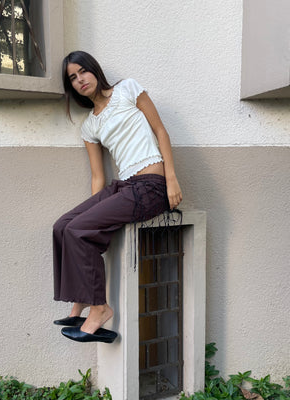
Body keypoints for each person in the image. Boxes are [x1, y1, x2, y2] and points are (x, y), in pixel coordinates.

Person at [53, 51, 182, 343]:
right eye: (72, 78)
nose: (80, 80)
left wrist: (171, 179)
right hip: (122, 186)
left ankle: (99, 308)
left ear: (94, 70)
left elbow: (161, 131)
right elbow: (98, 176)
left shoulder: (128, 90)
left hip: (152, 185)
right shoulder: (90, 126)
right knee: (64, 226)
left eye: (82, 71)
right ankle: (81, 299)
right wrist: (94, 216)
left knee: (77, 230)